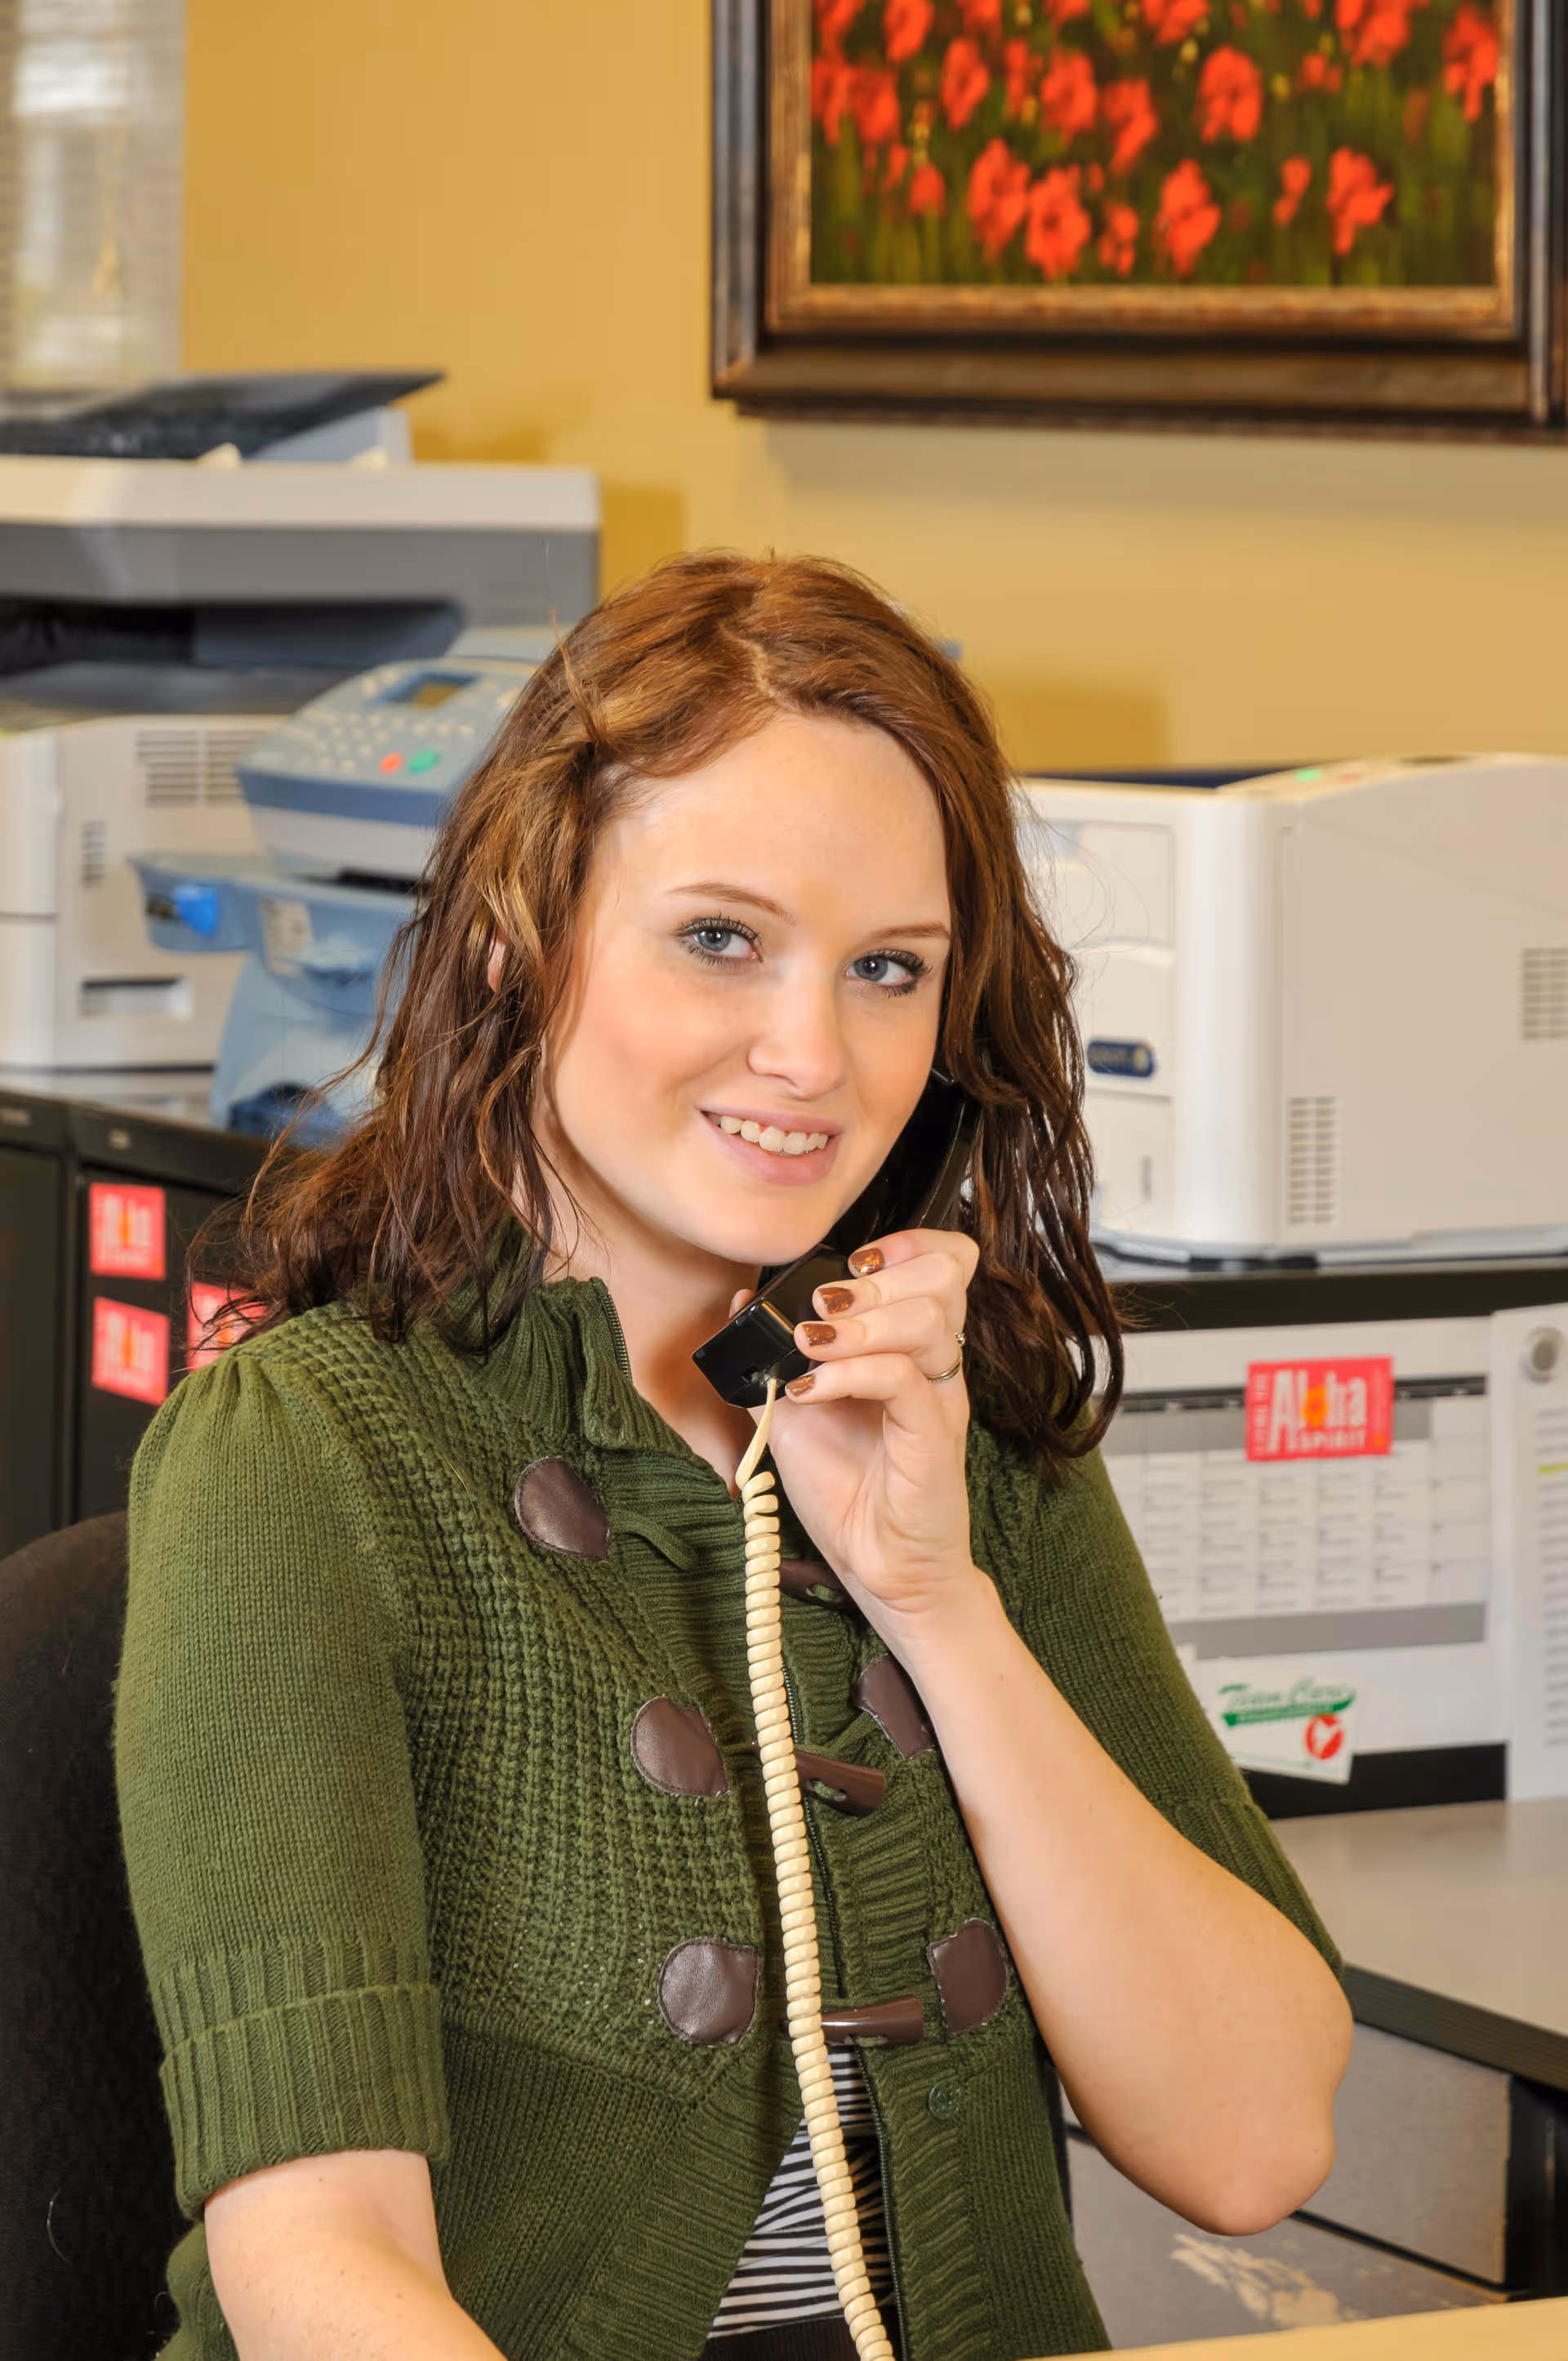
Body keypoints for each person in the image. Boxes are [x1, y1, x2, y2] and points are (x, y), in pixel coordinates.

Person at [116, 550, 1352, 2361]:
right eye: (721, 937)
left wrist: (938, 1600)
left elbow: (1257, 2136)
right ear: (516, 936)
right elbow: (320, 2260)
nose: (813, 1052)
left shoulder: (960, 1424)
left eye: (889, 969)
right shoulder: (307, 1452)